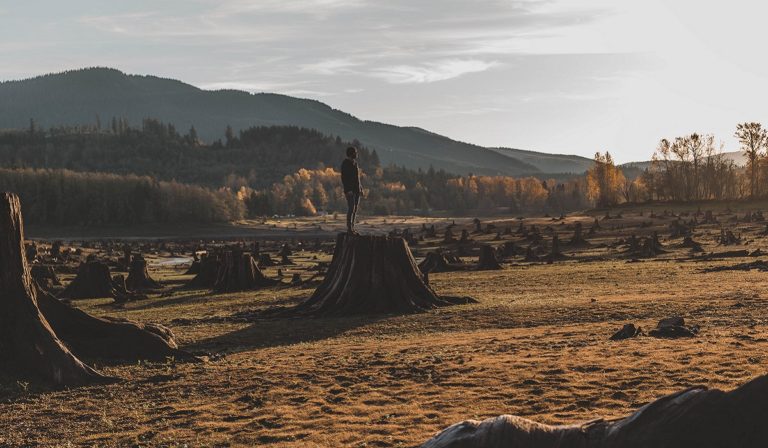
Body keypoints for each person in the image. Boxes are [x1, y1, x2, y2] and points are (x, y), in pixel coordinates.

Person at [341, 146, 362, 234]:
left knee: (355, 209)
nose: (356, 154)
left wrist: (360, 188)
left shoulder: (355, 163)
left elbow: (357, 178)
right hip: (350, 191)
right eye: (355, 152)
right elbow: (344, 178)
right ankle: (349, 228)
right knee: (351, 208)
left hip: (356, 190)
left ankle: (352, 227)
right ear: (351, 153)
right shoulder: (345, 164)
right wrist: (348, 190)